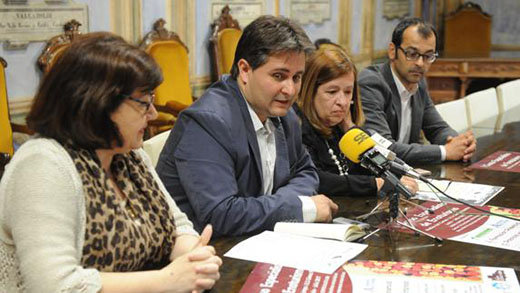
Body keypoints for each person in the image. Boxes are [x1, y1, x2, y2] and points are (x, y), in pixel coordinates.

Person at [0, 32, 221, 293]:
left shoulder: (128, 153)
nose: (152, 113)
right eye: (144, 102)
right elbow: (55, 286)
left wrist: (195, 256)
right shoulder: (42, 166)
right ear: (99, 102)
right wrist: (167, 280)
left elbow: (176, 226)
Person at [156, 15, 338, 237]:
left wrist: (283, 203)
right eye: (278, 76)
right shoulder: (208, 122)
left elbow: (305, 170)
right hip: (202, 253)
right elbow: (220, 215)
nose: (290, 90)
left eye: (297, 77)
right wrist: (301, 207)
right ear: (244, 70)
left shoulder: (283, 114)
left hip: (257, 241)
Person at [295, 42, 418, 198]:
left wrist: (350, 127)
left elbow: (378, 163)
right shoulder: (298, 128)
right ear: (310, 92)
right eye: (332, 92)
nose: (342, 101)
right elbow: (317, 179)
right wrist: (374, 184)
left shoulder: (342, 128)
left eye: (348, 92)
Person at [358, 17, 477, 165]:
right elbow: (384, 147)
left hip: (410, 174)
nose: (420, 63)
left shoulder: (418, 82)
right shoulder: (371, 83)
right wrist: (446, 152)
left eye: (428, 56)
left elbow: (437, 128)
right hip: (376, 178)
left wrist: (459, 143)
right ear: (392, 51)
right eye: (412, 54)